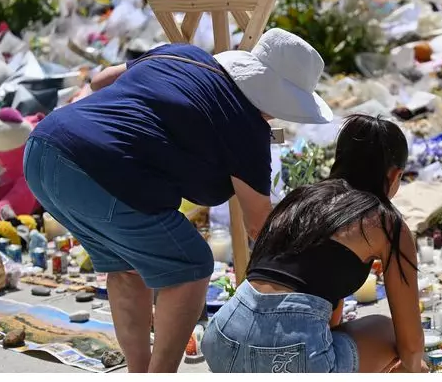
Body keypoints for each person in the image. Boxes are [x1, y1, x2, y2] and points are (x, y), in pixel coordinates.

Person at [23, 28, 332, 373]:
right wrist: (310, 274)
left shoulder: (182, 54)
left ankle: (139, 372)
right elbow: (260, 224)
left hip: (43, 150)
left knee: (126, 269)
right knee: (192, 266)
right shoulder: (246, 126)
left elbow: (100, 81)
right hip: (99, 171)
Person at [202, 115, 426, 373]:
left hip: (222, 339)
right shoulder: (386, 223)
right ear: (395, 175)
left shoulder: (300, 199)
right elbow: (410, 342)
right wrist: (412, 369)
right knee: (384, 329)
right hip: (291, 360)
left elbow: (323, 297)